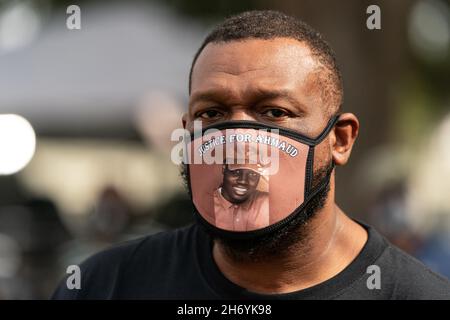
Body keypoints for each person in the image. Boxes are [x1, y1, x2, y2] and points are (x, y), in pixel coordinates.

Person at [52, 10, 450, 299]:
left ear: (340, 140)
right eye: (212, 113)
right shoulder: (105, 286)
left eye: (274, 112)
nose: (238, 138)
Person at [213, 163, 269, 231]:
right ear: (224, 168)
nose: (243, 181)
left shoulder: (268, 203)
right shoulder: (204, 205)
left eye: (252, 174)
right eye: (236, 172)